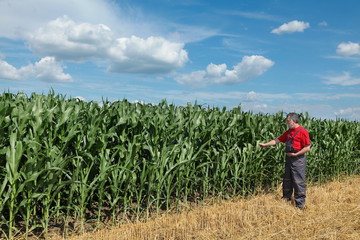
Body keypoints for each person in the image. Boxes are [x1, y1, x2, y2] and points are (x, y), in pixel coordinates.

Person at [259, 112, 310, 210]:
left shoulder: (303, 131)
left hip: (298, 159)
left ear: (294, 121)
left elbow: (307, 147)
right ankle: (286, 200)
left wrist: (296, 154)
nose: (286, 122)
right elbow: (277, 140)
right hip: (289, 159)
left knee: (298, 181)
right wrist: (265, 144)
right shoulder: (289, 132)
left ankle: (300, 205)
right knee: (287, 180)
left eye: (288, 121)